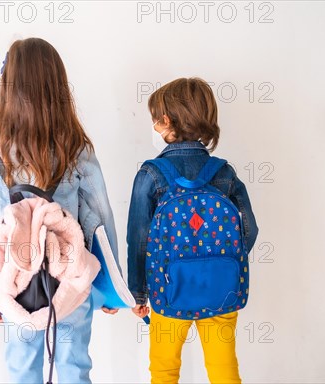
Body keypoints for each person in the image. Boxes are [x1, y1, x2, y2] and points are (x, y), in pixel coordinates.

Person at [0, 37, 119, 383]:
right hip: (71, 286)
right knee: (76, 370)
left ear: (8, 88)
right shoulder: (77, 151)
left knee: (23, 373)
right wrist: (111, 287)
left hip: (15, 285)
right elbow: (100, 222)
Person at [127, 77, 259, 383]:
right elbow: (249, 229)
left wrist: (138, 292)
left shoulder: (150, 173)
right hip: (222, 288)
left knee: (164, 369)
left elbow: (138, 237)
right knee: (224, 368)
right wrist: (223, 261)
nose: (154, 129)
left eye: (155, 122)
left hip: (168, 290)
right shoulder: (224, 172)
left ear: (166, 121)